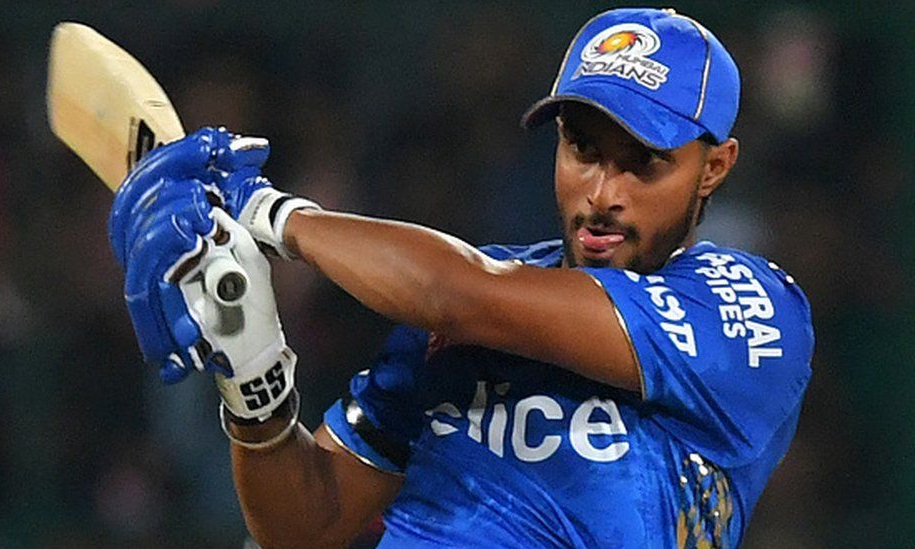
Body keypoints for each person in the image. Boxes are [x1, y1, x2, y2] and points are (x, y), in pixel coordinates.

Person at [106, 7, 813, 548]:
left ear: (715, 167)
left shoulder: (751, 311)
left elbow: (461, 293)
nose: (602, 192)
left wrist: (266, 212)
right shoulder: (464, 308)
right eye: (583, 149)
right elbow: (308, 526)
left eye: (642, 162)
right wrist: (255, 377)